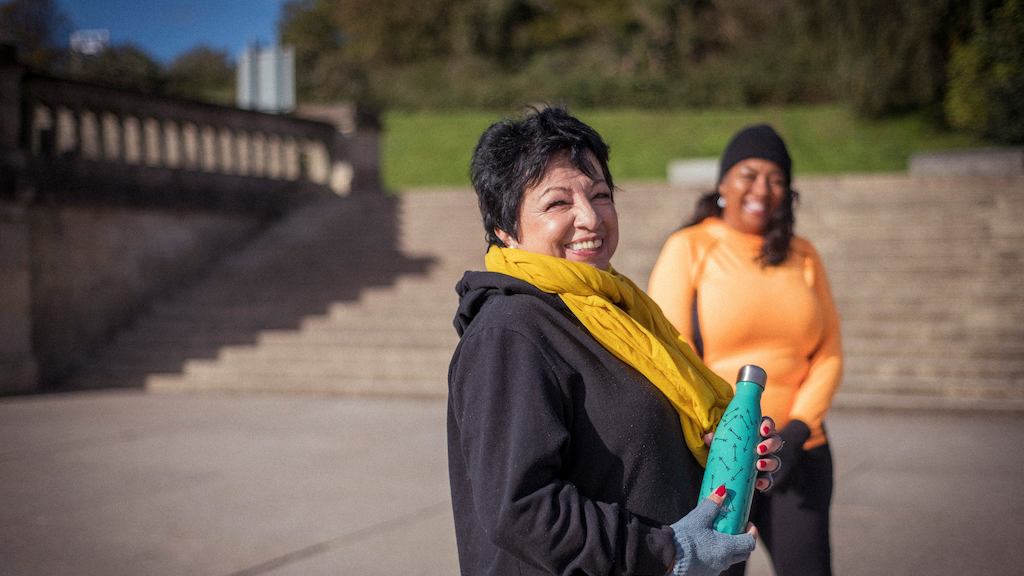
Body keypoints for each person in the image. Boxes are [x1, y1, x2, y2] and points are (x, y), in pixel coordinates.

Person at [448, 106, 783, 576]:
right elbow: (522, 509)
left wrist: (715, 453)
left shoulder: (618, 313)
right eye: (558, 203)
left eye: (600, 194)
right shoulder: (510, 331)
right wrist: (668, 552)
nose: (590, 218)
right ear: (505, 229)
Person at [647, 124, 842, 576]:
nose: (762, 189)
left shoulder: (804, 255)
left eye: (776, 179)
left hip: (801, 447)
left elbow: (829, 351)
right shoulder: (689, 246)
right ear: (723, 184)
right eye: (749, 174)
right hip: (721, 453)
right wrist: (721, 432)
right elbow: (672, 353)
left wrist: (796, 431)